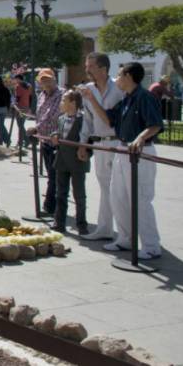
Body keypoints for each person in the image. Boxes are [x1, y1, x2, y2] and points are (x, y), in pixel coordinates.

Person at [81, 62, 164, 259]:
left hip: (140, 154)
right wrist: (91, 99)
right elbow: (109, 119)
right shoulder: (126, 99)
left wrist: (140, 138)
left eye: (119, 75)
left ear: (128, 76)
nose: (116, 79)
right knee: (118, 197)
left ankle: (152, 246)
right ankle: (126, 239)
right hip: (122, 150)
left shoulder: (144, 97)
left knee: (140, 199)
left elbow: (155, 125)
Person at [79, 52, 124, 241]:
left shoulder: (119, 87)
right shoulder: (88, 89)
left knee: (121, 188)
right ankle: (105, 228)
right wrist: (83, 144)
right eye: (86, 66)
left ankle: (125, 232)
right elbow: (87, 120)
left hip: (118, 142)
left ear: (103, 69)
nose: (87, 69)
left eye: (90, 66)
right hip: (99, 144)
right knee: (105, 187)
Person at [49, 90, 91, 234]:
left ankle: (82, 224)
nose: (61, 103)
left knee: (79, 195)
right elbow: (58, 132)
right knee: (60, 193)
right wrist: (54, 135)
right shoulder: (62, 118)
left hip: (77, 162)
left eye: (63, 100)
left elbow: (90, 139)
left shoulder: (83, 119)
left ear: (73, 103)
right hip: (62, 161)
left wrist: (87, 153)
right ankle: (59, 222)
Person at [26, 68, 63, 216]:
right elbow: (40, 115)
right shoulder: (41, 95)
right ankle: (53, 205)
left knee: (55, 176)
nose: (46, 83)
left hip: (57, 141)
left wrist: (36, 128)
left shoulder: (62, 95)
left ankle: (50, 206)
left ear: (54, 79)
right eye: (43, 80)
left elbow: (54, 116)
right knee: (51, 174)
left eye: (48, 79)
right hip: (44, 140)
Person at [12, 77, 32, 147]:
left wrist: (14, 104)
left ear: (18, 79)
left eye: (15, 79)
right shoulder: (28, 86)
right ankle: (20, 141)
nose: (14, 80)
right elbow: (30, 97)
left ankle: (26, 140)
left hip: (20, 108)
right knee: (21, 125)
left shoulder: (18, 87)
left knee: (20, 125)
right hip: (26, 107)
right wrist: (29, 107)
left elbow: (17, 98)